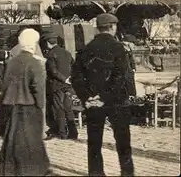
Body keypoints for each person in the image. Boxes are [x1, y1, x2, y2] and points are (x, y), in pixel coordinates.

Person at [71, 13, 134, 176]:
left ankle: (96, 172)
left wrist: (87, 97)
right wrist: (104, 97)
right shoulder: (118, 47)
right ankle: (127, 173)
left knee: (94, 140)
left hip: (92, 102)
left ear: (98, 28)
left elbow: (76, 77)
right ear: (113, 27)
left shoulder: (87, 48)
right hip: (116, 101)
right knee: (123, 141)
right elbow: (120, 77)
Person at [0, 29, 50, 176]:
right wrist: (40, 105)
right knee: (30, 141)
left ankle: (10, 171)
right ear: (34, 44)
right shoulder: (34, 63)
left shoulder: (12, 62)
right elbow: (38, 88)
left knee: (12, 141)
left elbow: (6, 84)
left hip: (12, 107)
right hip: (29, 107)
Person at [43, 32, 78, 140]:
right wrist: (69, 79)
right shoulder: (67, 52)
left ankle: (62, 133)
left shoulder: (50, 55)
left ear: (48, 43)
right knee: (68, 108)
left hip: (57, 85)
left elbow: (53, 71)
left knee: (59, 109)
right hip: (67, 85)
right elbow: (74, 66)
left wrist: (63, 79)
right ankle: (73, 133)